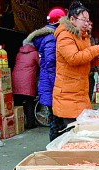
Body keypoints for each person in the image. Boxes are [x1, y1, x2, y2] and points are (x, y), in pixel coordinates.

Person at [50, 1, 99, 141]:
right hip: (68, 93)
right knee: (71, 134)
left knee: (79, 132)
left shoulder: (83, 36)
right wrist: (94, 50)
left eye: (88, 20)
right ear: (72, 20)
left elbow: (87, 59)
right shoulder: (64, 35)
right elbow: (74, 58)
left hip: (80, 91)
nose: (87, 23)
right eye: (84, 20)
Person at [24, 6, 67, 139]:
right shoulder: (51, 38)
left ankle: (55, 148)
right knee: (57, 122)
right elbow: (51, 64)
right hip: (52, 86)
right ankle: (54, 150)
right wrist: (59, 86)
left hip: (49, 85)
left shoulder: (50, 36)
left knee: (57, 120)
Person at [11, 40, 40, 129]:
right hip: (28, 79)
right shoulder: (35, 53)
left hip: (16, 78)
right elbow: (41, 64)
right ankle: (30, 124)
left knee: (18, 102)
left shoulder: (19, 54)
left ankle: (17, 124)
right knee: (29, 102)